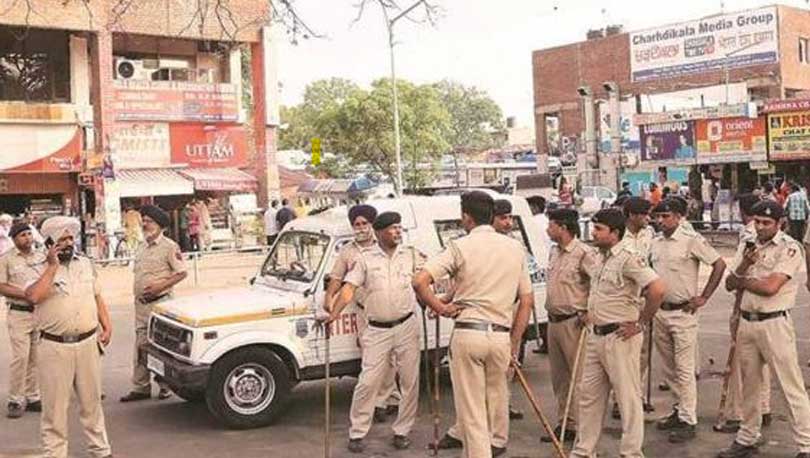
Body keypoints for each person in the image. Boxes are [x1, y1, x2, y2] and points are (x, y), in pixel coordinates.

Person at [413, 191, 534, 458]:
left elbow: (419, 281)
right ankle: (494, 443)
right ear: (492, 216)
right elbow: (526, 301)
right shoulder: (514, 248)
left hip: (470, 333)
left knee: (472, 412)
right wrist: (514, 343)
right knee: (496, 401)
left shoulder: (460, 246)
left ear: (466, 217)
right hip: (501, 335)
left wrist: (441, 308)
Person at [570, 208, 665, 458]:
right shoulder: (600, 257)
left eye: (599, 229)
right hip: (596, 335)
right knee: (589, 396)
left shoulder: (628, 257)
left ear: (614, 232)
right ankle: (584, 450)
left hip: (620, 336)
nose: (593, 233)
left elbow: (657, 289)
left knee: (627, 398)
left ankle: (631, 452)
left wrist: (640, 323)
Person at [325, 211, 424, 453]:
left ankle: (402, 431)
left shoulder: (410, 255)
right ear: (379, 233)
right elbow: (348, 288)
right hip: (376, 329)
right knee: (368, 382)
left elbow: (425, 281)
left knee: (410, 382)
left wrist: (438, 302)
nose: (398, 232)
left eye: (399, 227)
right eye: (392, 228)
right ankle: (357, 432)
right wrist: (334, 314)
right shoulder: (365, 259)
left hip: (407, 326)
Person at [719, 200, 810, 458]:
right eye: (757, 221)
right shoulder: (747, 244)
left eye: (766, 223)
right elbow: (729, 283)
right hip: (748, 321)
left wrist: (743, 281)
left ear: (780, 223)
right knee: (750, 385)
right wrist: (745, 267)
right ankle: (748, 436)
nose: (760, 227)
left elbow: (771, 287)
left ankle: (805, 444)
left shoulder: (789, 248)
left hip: (774, 323)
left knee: (790, 386)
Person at [24, 216, 113, 458]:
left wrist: (106, 324)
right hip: (54, 347)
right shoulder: (36, 266)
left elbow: (96, 296)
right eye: (61, 240)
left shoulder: (84, 263)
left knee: (92, 403)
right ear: (48, 243)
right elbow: (33, 296)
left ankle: (101, 451)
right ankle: (55, 454)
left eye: (70, 238)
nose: (68, 243)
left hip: (88, 343)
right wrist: (52, 267)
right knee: (55, 409)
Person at [649, 199, 726, 443]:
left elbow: (719, 264)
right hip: (660, 311)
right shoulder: (655, 242)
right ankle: (679, 408)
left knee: (684, 368)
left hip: (683, 312)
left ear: (679, 217)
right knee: (668, 369)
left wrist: (704, 297)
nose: (660, 221)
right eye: (658, 216)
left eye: (666, 216)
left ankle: (688, 419)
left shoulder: (691, 239)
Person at [325, 204, 401, 424]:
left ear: (373, 225)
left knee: (390, 360)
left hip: (389, 311)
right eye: (356, 224)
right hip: (364, 313)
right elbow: (337, 278)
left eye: (364, 223)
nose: (360, 228)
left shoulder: (385, 245)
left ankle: (385, 400)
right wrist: (329, 298)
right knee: (371, 360)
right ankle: (380, 401)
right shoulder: (348, 251)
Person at [716, 193, 773, 434]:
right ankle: (764, 406)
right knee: (763, 361)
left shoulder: (749, 236)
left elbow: (736, 277)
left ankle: (739, 413)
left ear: (742, 211)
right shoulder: (773, 236)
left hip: (747, 304)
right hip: (767, 307)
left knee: (742, 364)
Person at [120, 205, 187, 403]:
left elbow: (181, 272)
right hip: (141, 306)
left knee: (161, 348)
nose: (145, 224)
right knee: (141, 347)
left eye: (149, 221)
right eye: (144, 221)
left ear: (160, 225)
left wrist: (160, 286)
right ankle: (140, 387)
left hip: (160, 305)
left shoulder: (169, 247)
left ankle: (165, 386)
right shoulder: (141, 246)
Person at [542, 208, 597, 443]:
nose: (548, 229)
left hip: (574, 321)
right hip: (554, 321)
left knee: (579, 377)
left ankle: (583, 428)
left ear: (563, 227)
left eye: (551, 225)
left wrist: (589, 310)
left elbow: (598, 283)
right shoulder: (554, 251)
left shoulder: (583, 253)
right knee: (560, 378)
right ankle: (566, 423)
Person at [0, 222, 45, 418]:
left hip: (39, 312)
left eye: (29, 234)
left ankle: (33, 396)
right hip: (18, 314)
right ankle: (15, 399)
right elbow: (1, 286)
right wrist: (26, 294)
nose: (27, 238)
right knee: (21, 357)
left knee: (36, 357)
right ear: (14, 239)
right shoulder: (6, 260)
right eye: (22, 235)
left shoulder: (41, 257)